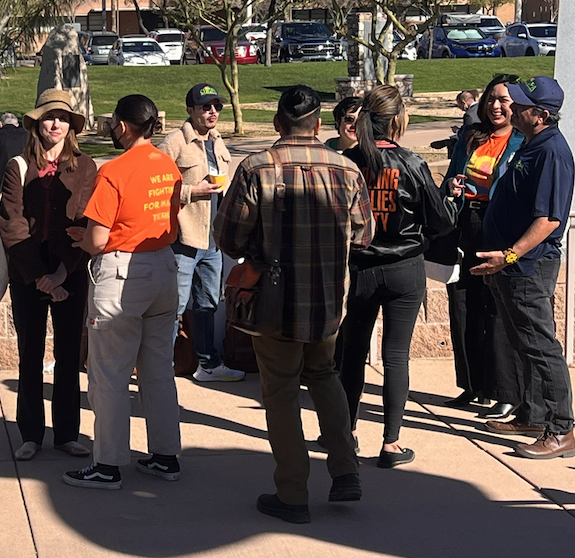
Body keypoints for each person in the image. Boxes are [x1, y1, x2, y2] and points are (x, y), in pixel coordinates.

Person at [214, 85, 373, 524]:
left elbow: (228, 237)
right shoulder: (346, 168)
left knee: (281, 391)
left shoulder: (256, 167)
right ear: (319, 125)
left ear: (277, 124)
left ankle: (293, 492)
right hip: (327, 299)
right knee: (325, 376)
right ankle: (345, 471)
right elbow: (363, 234)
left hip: (274, 300)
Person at [64, 94, 183, 489]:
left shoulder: (114, 170)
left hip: (122, 274)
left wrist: (83, 241)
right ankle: (166, 456)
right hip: (165, 266)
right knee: (158, 371)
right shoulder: (168, 165)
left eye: (114, 121)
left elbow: (97, 239)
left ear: (125, 126)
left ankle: (108, 464)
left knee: (110, 374)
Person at [338, 85, 457, 469]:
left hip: (359, 267)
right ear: (398, 120)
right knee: (396, 357)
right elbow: (439, 221)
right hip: (405, 267)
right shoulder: (411, 162)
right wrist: (451, 200)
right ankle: (391, 443)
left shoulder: (348, 161)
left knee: (352, 353)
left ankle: (346, 434)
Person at [471, 76, 575, 459]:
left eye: (521, 104)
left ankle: (561, 430)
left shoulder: (552, 152)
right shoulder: (531, 144)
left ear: (541, 115)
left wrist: (510, 254)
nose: (511, 108)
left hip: (528, 265)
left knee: (540, 346)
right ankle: (532, 415)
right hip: (510, 264)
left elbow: (549, 219)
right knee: (523, 343)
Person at [0, 89, 97, 461]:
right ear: (37, 123)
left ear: (71, 125)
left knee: (70, 354)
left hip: (69, 270)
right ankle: (31, 434)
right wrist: (41, 276)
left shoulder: (86, 166)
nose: (55, 123)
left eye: (62, 117)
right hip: (27, 272)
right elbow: (12, 224)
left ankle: (68, 433)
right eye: (48, 117)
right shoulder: (18, 166)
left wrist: (60, 273)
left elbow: (86, 221)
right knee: (30, 353)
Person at [440, 76, 524, 416]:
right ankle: (473, 386)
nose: (495, 106)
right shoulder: (470, 138)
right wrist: (452, 185)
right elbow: (449, 176)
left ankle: (504, 390)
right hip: (467, 224)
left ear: (516, 104)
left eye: (503, 100)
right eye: (491, 99)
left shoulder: (522, 142)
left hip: (499, 228)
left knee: (496, 308)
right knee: (463, 304)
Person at [161, 82, 243, 381]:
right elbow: (156, 186)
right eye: (205, 107)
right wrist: (191, 191)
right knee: (175, 306)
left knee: (208, 302)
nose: (212, 112)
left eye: (216, 107)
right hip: (184, 238)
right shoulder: (173, 143)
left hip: (213, 240)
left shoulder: (219, 141)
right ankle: (163, 366)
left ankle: (208, 364)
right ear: (190, 110)